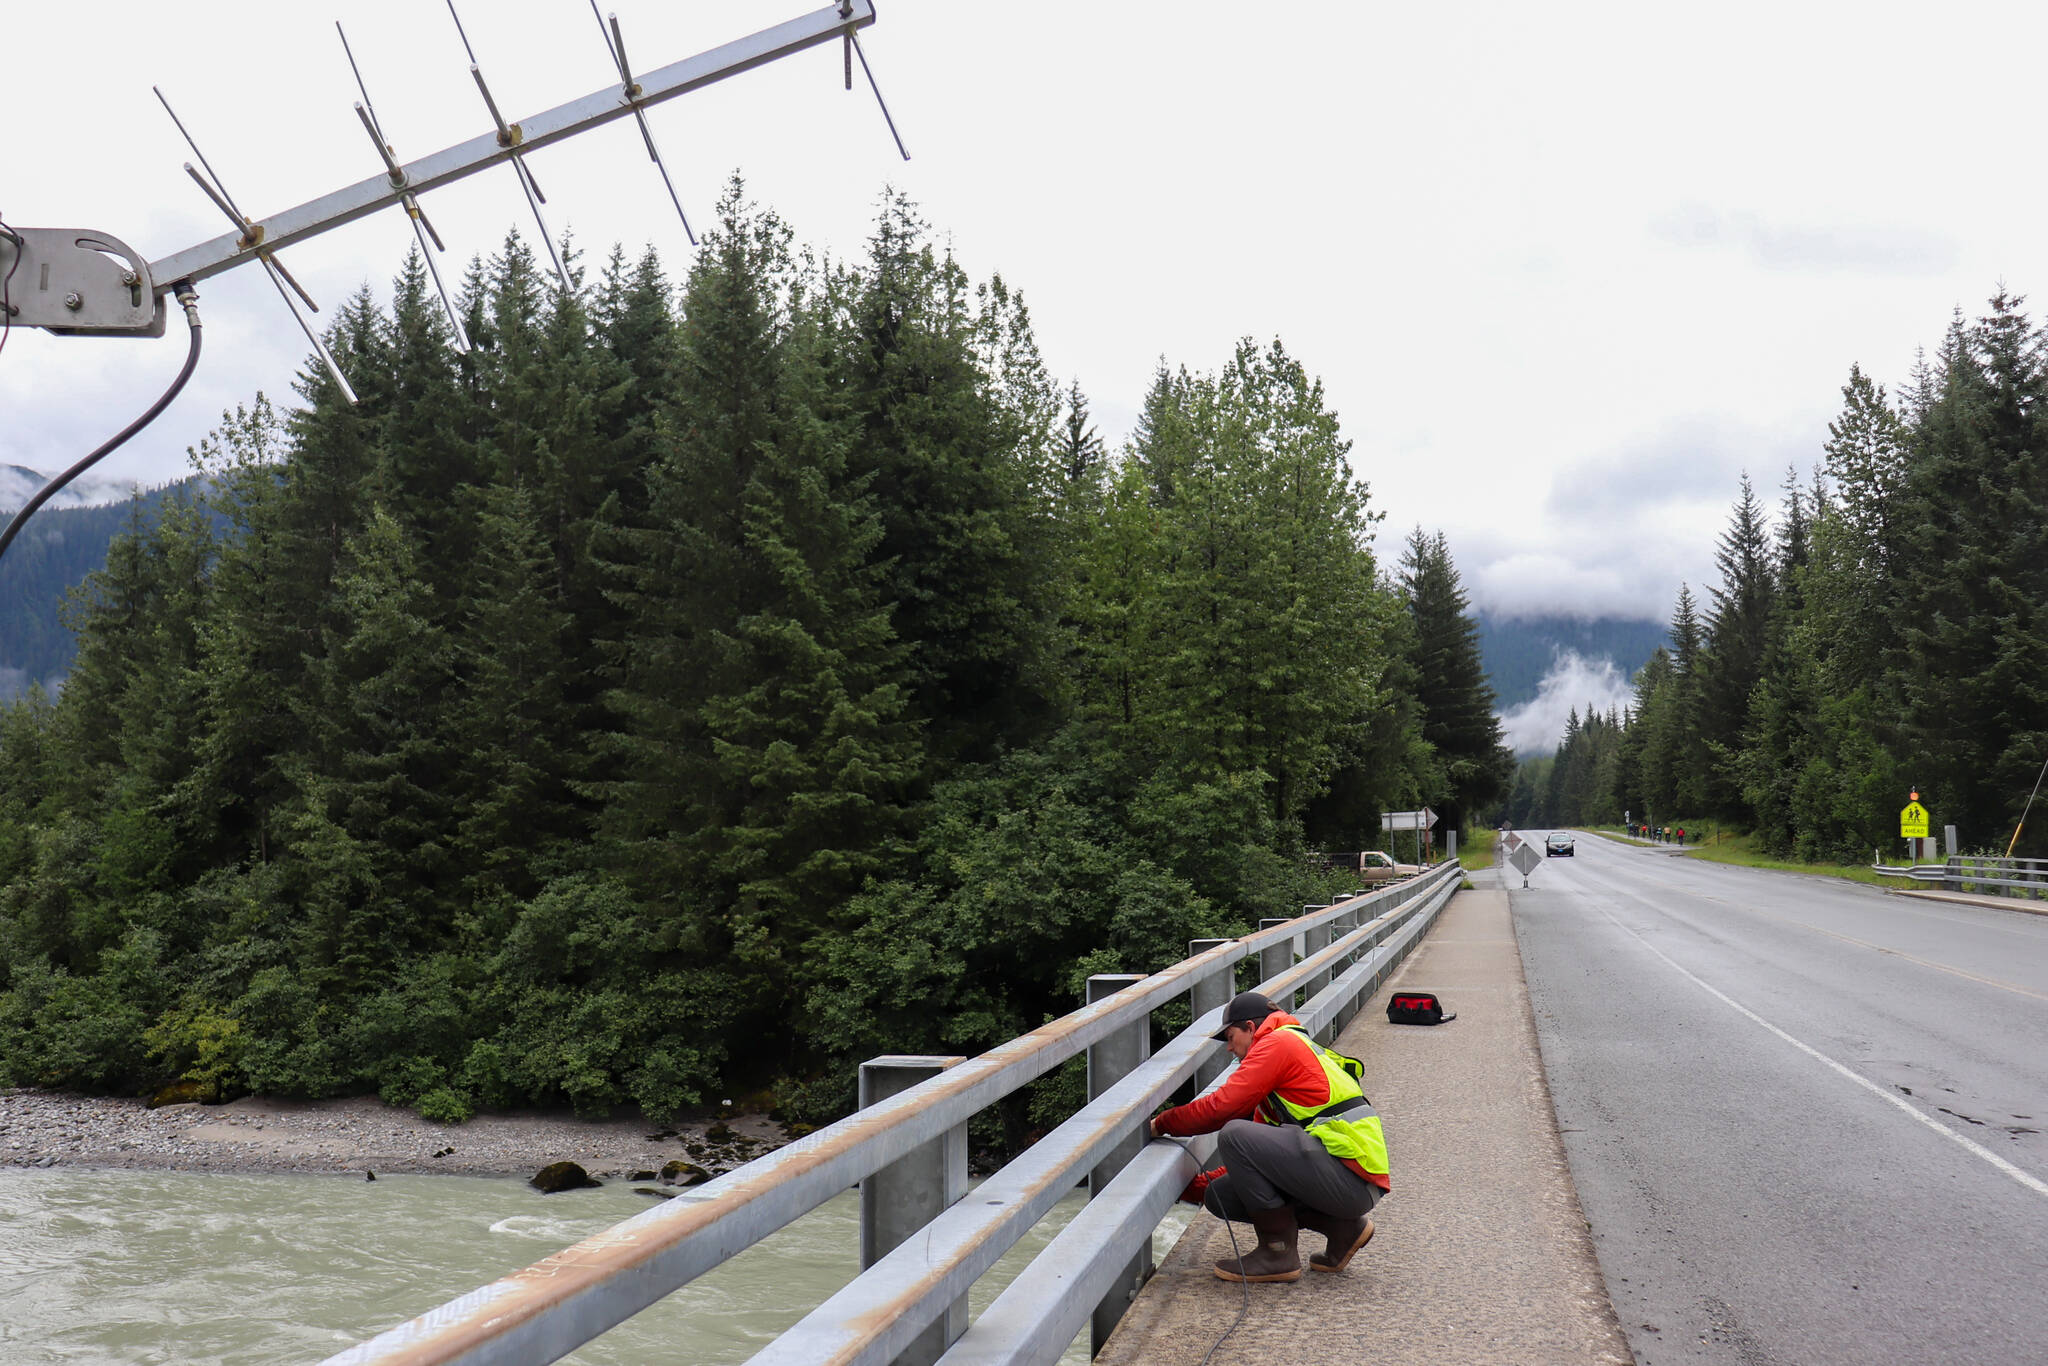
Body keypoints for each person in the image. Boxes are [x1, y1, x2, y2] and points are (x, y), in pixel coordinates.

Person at [1147, 991, 1388, 1283]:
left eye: (1230, 1037)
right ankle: (1343, 1230)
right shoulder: (1283, 1063)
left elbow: (1222, 1107)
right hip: (1347, 1178)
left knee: (1234, 1133)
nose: (1228, 1048)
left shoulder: (1278, 1043)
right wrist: (1186, 1186)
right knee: (1221, 1194)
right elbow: (1255, 1165)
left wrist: (1163, 1122)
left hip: (1351, 1176)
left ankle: (1277, 1253)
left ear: (1250, 1027)